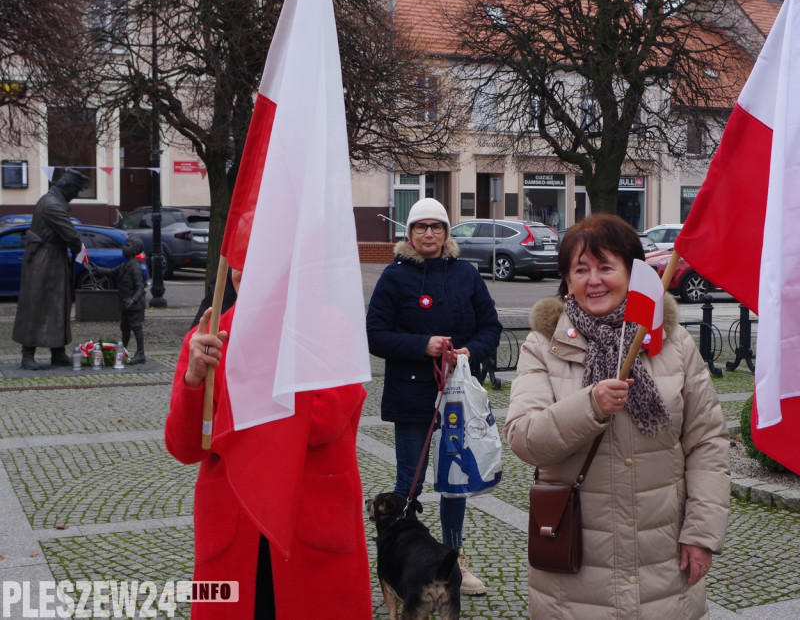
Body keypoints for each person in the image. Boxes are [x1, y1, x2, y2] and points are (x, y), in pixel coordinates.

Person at [505, 213, 730, 618]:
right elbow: (525, 438)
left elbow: (707, 443)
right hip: (575, 572)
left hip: (661, 560)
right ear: (567, 281)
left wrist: (701, 533)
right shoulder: (543, 346)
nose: (594, 280)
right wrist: (589, 405)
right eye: (581, 270)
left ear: (632, 274)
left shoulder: (673, 343)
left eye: (606, 267)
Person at [165, 269, 371, 619]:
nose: (245, 270)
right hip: (234, 528)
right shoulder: (209, 336)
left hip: (309, 527)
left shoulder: (331, 327)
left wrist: (259, 355)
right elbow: (185, 448)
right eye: (238, 260)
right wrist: (193, 380)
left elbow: (321, 423)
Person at [365, 197, 502, 596]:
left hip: (457, 398)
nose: (429, 233)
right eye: (421, 226)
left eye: (436, 226)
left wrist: (470, 352)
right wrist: (421, 345)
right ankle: (399, 560)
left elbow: (490, 327)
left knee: (455, 482)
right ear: (410, 233)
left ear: (446, 232)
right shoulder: (394, 277)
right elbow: (375, 334)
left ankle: (452, 561)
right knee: (409, 483)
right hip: (411, 396)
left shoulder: (466, 274)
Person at [13, 169, 89, 369]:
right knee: (36, 304)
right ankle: (27, 355)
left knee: (58, 305)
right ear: (67, 186)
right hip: (44, 261)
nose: (76, 194)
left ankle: (58, 352)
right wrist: (80, 252)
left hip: (54, 259)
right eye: (76, 190)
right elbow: (71, 235)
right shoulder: (51, 205)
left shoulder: (54, 201)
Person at [88, 234, 148, 363]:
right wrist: (97, 269)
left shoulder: (135, 267)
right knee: (125, 328)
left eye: (127, 245)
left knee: (136, 328)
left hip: (134, 305)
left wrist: (133, 300)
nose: (123, 247)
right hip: (125, 303)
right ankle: (123, 350)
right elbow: (111, 271)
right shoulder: (126, 264)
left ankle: (140, 353)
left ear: (135, 250)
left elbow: (140, 287)